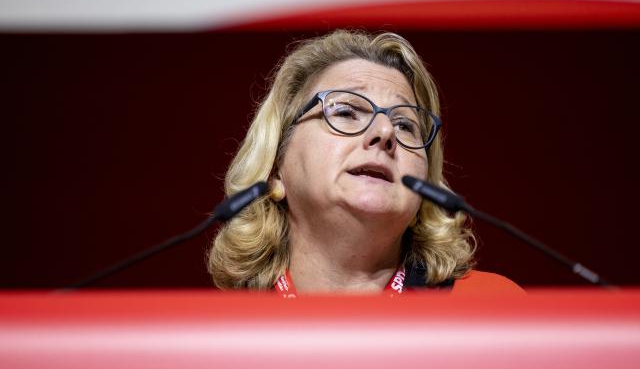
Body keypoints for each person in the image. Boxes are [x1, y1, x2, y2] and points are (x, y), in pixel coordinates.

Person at [207, 30, 524, 296]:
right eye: (345, 112)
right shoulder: (216, 335)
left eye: (405, 125)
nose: (385, 132)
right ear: (276, 168)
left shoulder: (494, 308)